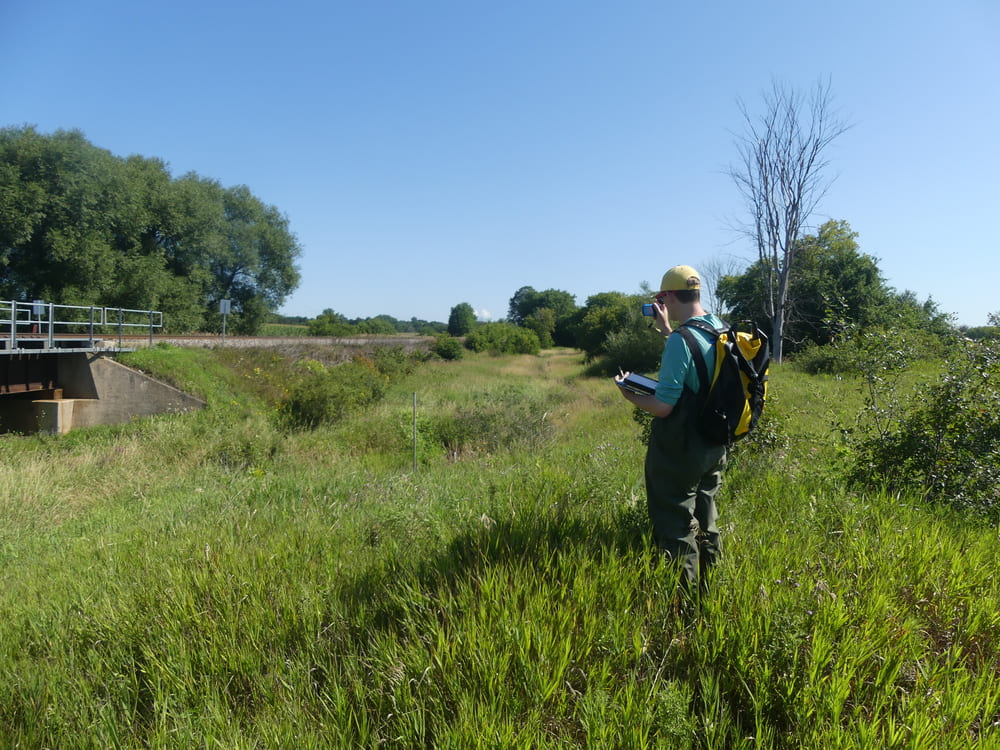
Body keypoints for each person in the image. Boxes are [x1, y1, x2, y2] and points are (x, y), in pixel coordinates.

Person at [614, 265, 728, 596]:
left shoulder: (682, 339)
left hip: (682, 449)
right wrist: (666, 329)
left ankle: (683, 606)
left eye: (660, 298)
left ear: (667, 297)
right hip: (715, 444)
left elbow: (663, 407)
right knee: (707, 520)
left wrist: (629, 393)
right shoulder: (719, 328)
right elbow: (700, 365)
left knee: (676, 527)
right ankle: (710, 591)